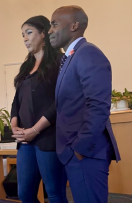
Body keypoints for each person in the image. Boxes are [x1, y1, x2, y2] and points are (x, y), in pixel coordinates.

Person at [48, 6, 121, 203]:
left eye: (54, 24)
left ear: (74, 25)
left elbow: (98, 105)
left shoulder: (88, 54)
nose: (49, 31)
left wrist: (79, 148)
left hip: (86, 152)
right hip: (78, 153)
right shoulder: (71, 57)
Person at [11, 16, 68, 203]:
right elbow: (16, 102)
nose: (25, 39)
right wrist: (14, 126)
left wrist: (35, 130)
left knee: (54, 194)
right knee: (25, 194)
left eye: (29, 33)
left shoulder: (60, 61)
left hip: (49, 138)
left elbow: (60, 101)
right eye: (22, 35)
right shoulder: (26, 67)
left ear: (43, 34)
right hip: (25, 142)